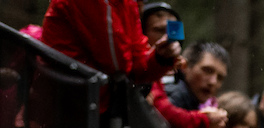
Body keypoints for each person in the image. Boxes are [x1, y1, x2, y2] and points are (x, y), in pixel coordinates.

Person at [40, 0, 180, 91]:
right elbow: (118, 65)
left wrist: (161, 57)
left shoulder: (127, 3)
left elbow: (138, 64)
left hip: (94, 108)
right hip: (64, 111)